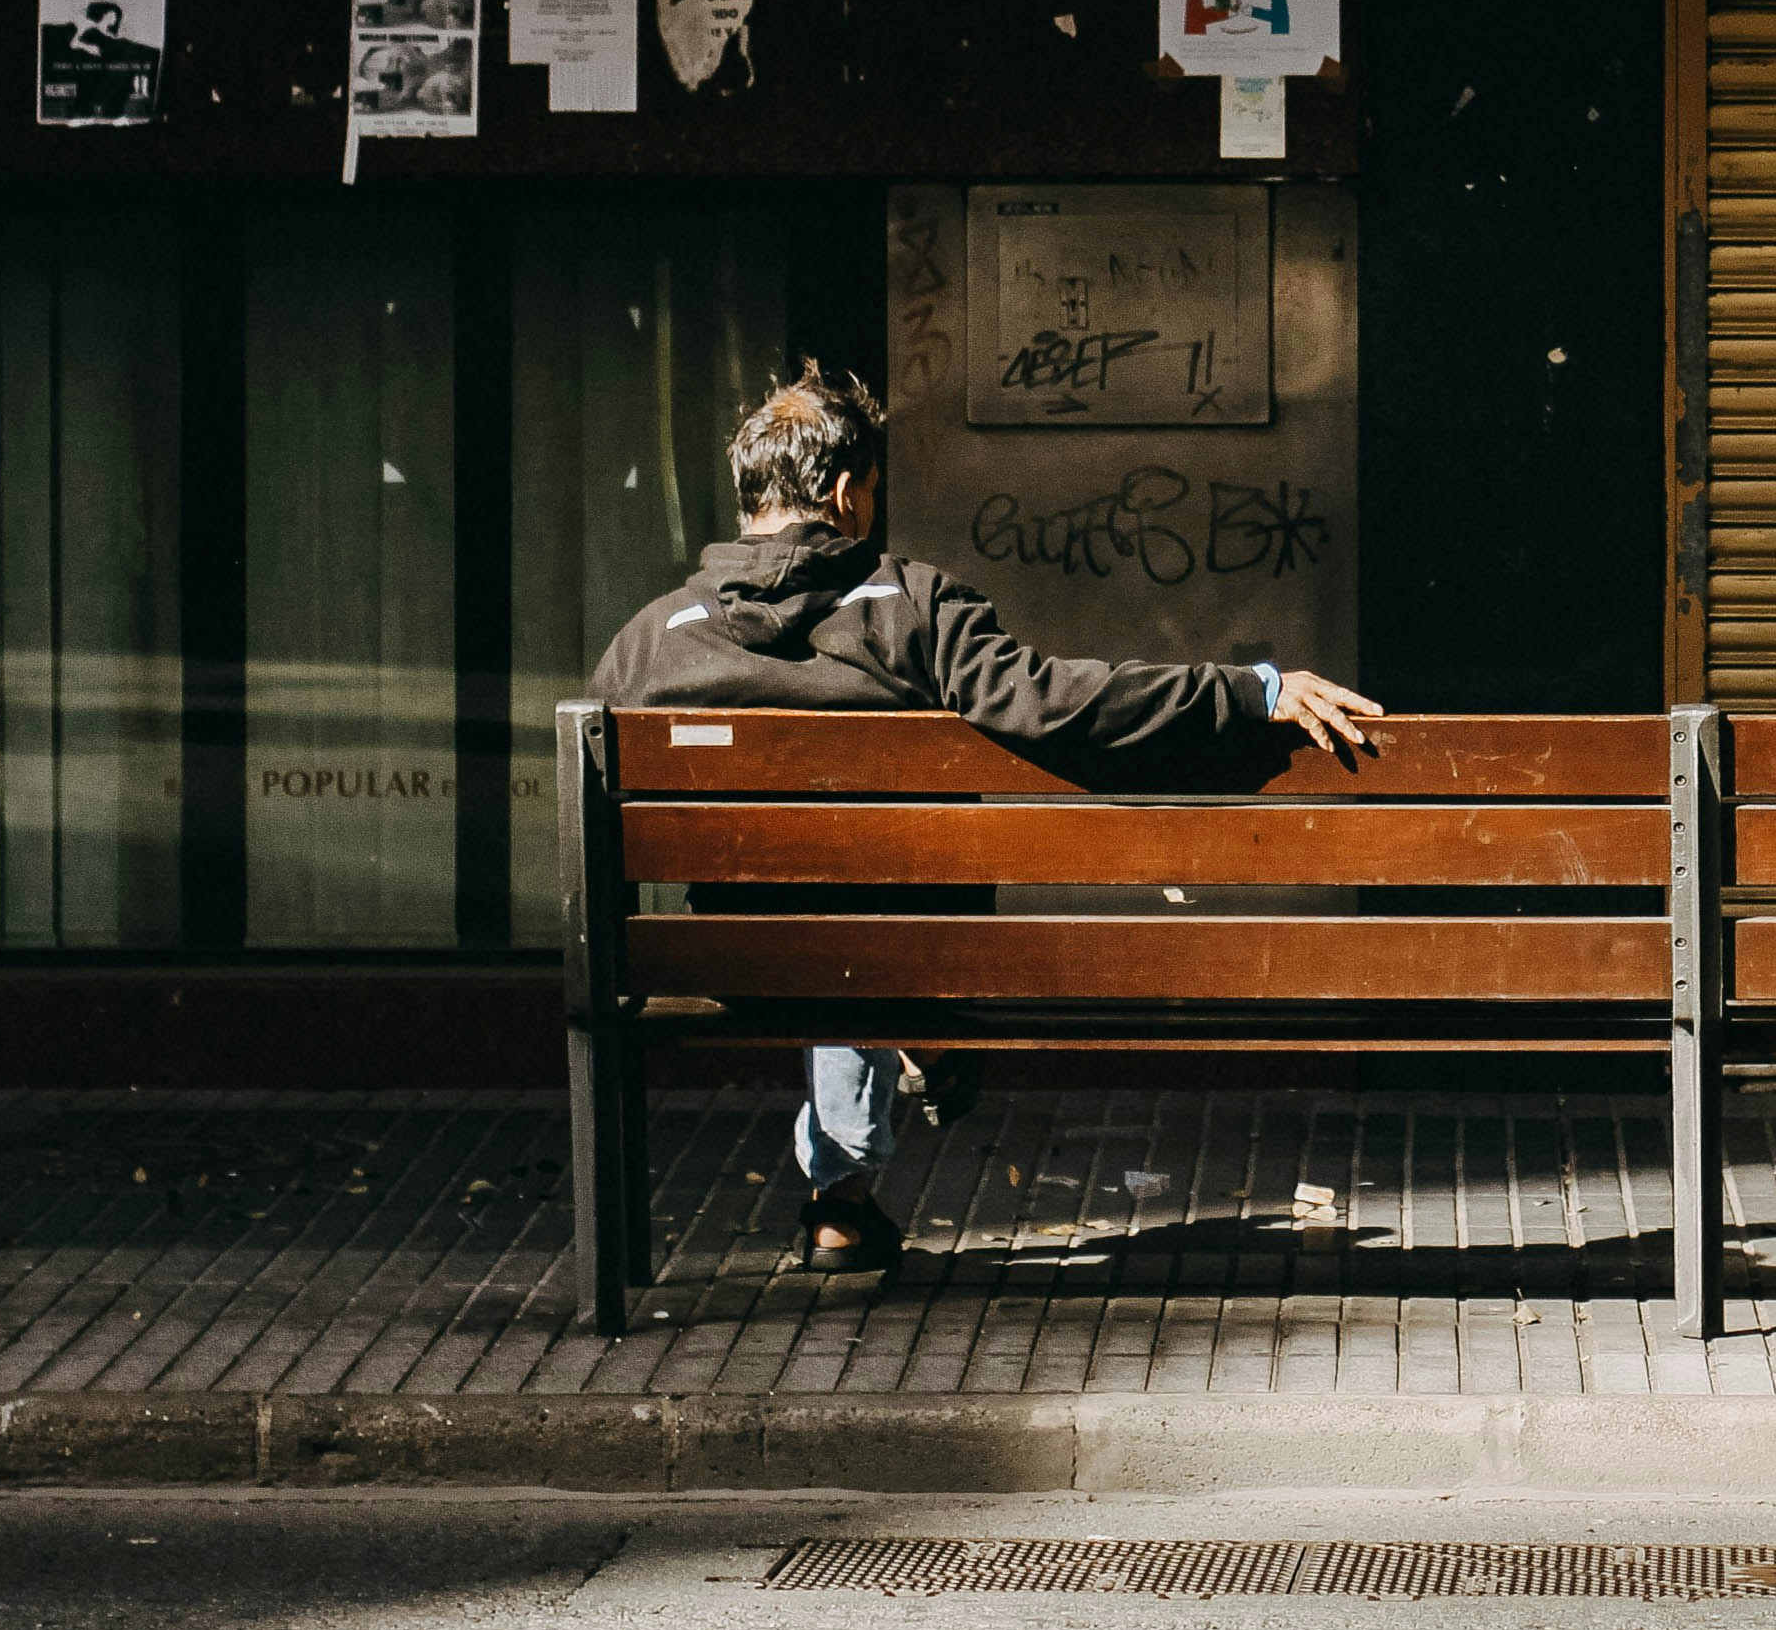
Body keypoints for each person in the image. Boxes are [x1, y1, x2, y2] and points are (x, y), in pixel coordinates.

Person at [586, 362, 1381, 1275]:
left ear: (748, 496)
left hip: (734, 959)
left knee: (819, 930)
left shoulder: (651, 639)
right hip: (908, 953)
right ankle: (912, 1062)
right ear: (846, 494)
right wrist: (1251, 691)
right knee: (865, 930)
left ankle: (840, 1199)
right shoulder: (913, 606)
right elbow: (1062, 708)